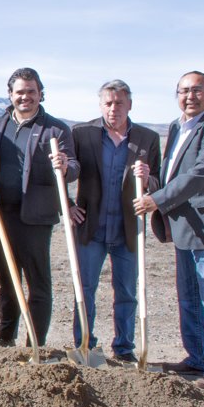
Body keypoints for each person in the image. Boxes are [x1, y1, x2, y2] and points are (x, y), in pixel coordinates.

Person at [136, 71, 204, 394]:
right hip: (183, 228)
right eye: (184, 91)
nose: (190, 96)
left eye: (197, 90)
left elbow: (202, 173)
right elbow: (173, 173)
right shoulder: (176, 127)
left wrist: (156, 200)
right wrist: (151, 179)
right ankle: (198, 358)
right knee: (190, 298)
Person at [0, 67, 78, 348]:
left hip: (35, 217)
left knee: (38, 284)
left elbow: (75, 167)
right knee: (7, 281)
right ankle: (6, 336)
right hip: (0, 215)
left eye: (31, 91)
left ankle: (36, 342)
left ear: (40, 94)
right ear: (10, 95)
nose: (25, 97)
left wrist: (66, 166)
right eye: (19, 92)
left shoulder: (56, 129)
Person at [68, 80, 160, 363]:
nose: (113, 108)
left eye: (119, 102)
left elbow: (159, 183)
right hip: (91, 229)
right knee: (84, 291)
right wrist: (69, 206)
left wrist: (148, 180)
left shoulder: (148, 138)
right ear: (100, 105)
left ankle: (124, 348)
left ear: (129, 105)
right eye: (108, 103)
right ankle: (85, 345)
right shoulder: (81, 133)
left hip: (129, 230)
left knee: (127, 293)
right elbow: (63, 173)